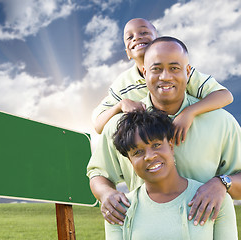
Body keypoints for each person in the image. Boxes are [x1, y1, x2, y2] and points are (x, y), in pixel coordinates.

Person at [87, 37, 241, 234]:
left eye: (175, 68)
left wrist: (222, 183)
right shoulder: (120, 126)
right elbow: (98, 173)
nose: (165, 77)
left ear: (187, 72)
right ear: (144, 72)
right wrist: (106, 193)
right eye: (156, 69)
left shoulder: (221, 122)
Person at [92, 18, 233, 146]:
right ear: (127, 53)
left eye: (143, 32)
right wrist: (120, 105)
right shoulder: (123, 84)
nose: (137, 38)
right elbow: (98, 125)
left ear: (157, 42)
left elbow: (225, 95)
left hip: (190, 139)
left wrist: (189, 112)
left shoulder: (180, 73)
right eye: (130, 37)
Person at [105, 109, 238, 239]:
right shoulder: (118, 209)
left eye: (156, 145)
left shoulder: (215, 199)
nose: (149, 157)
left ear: (171, 146)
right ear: (130, 161)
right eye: (138, 152)